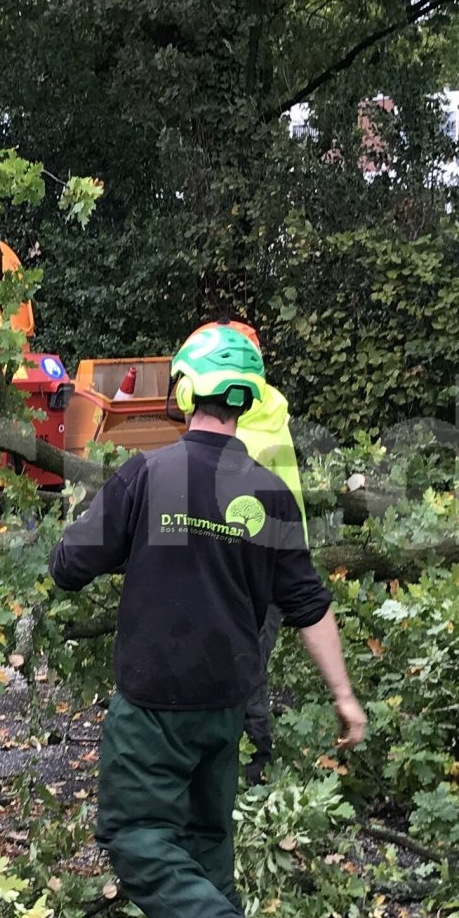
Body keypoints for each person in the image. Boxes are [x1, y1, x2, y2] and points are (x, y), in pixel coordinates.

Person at [52, 323, 367, 918]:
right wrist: (345, 697)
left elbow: (68, 566)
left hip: (154, 701)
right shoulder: (269, 492)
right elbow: (308, 603)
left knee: (132, 833)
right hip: (226, 702)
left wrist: (103, 528)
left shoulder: (147, 475)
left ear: (185, 389)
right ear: (247, 398)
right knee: (204, 836)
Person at [177, 321, 304, 783]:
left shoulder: (248, 436)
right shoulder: (260, 413)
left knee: (243, 668)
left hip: (262, 572)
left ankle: (254, 768)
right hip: (253, 565)